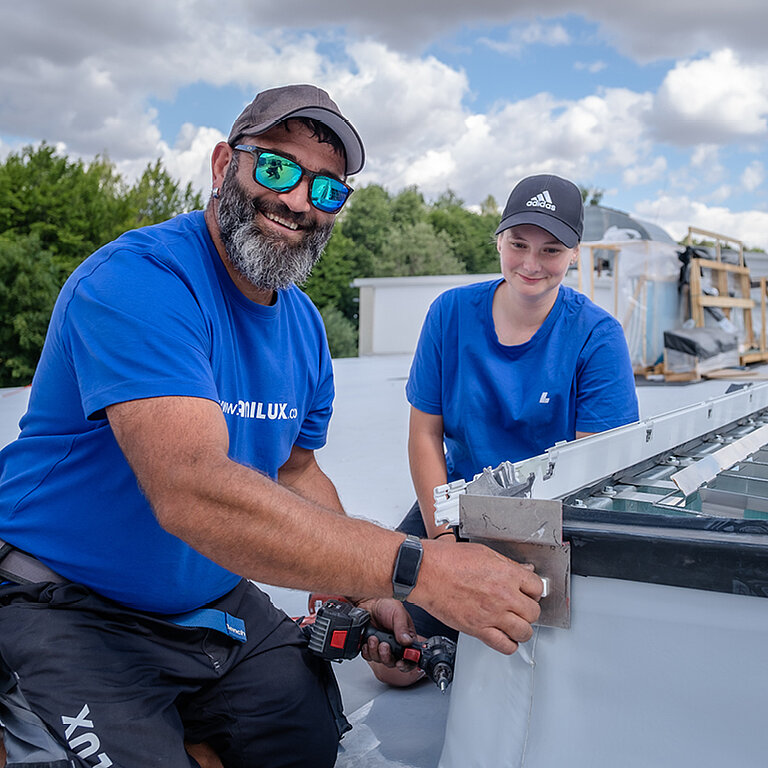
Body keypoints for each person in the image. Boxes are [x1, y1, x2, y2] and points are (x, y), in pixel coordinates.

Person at [0, 84, 544, 767]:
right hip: (65, 600)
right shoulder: (139, 283)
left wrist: (372, 590)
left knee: (307, 741)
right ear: (224, 163)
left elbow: (296, 469)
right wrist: (419, 569)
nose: (298, 201)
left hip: (207, 604)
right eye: (278, 167)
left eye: (327, 189)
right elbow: (191, 488)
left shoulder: (304, 327)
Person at [371, 174, 639, 686]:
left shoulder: (597, 337)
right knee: (395, 667)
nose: (531, 263)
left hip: (547, 523)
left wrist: (512, 563)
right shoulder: (450, 315)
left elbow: (594, 473)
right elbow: (425, 434)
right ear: (498, 240)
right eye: (518, 244)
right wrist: (445, 545)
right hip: (458, 506)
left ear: (575, 254)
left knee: (529, 661)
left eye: (551, 249)